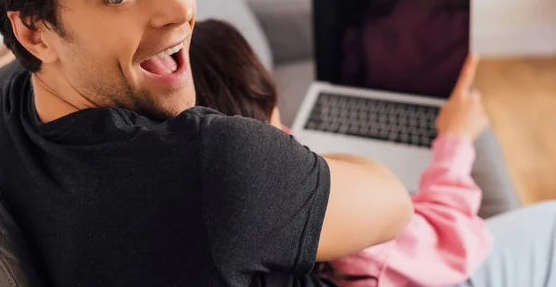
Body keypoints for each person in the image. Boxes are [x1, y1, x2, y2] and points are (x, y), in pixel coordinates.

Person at [0, 0, 414, 286]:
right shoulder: (217, 167)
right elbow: (394, 202)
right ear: (35, 33)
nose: (179, 9)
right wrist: (278, 150)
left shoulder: (15, 102)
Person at [191, 19, 556, 287]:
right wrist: (455, 139)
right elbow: (449, 244)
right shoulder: (302, 205)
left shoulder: (197, 178)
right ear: (255, 89)